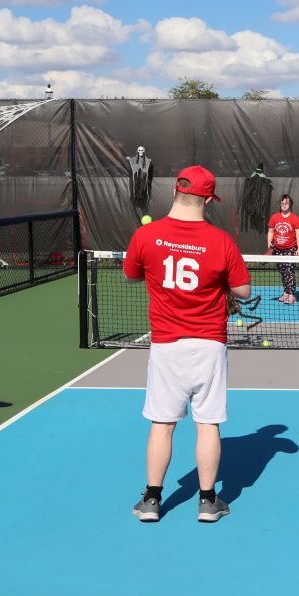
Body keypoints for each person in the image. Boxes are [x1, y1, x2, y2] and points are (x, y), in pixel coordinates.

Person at [123, 165, 251, 523]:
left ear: (175, 192)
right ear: (208, 198)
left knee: (162, 424)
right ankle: (208, 502)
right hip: (209, 344)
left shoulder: (146, 236)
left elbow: (132, 275)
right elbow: (244, 290)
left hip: (166, 345)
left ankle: (151, 500)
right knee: (208, 424)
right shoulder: (221, 240)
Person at [266, 194, 299, 303]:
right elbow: (271, 231)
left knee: (289, 271)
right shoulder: (274, 217)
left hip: (291, 249)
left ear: (290, 204)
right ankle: (286, 293)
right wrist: (269, 241)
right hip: (277, 250)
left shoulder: (295, 219)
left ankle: (292, 295)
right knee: (283, 272)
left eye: (286, 203)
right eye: (282, 203)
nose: (284, 205)